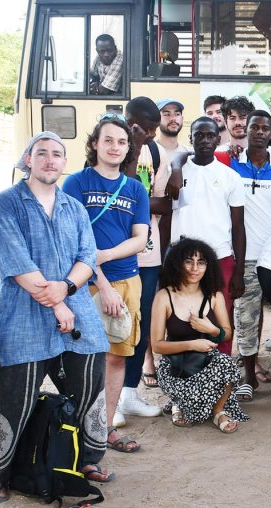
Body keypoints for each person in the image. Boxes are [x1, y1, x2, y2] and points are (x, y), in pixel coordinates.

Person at [0, 131, 111, 503]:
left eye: (57, 154)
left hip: (78, 315)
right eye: (42, 153)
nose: (50, 160)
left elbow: (88, 257)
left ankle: (86, 459)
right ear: (28, 160)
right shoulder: (6, 203)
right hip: (25, 318)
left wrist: (67, 288)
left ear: (64, 162)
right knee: (11, 396)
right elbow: (16, 258)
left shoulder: (74, 207)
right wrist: (56, 301)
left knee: (88, 388)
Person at [62, 117, 150, 454]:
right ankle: (79, 429)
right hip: (86, 283)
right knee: (86, 358)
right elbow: (73, 238)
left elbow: (140, 239)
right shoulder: (76, 184)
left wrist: (107, 255)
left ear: (128, 148)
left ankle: (105, 428)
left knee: (117, 357)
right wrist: (101, 279)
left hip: (128, 279)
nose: (115, 147)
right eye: (108, 140)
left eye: (121, 142)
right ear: (95, 144)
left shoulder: (134, 188)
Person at [223, 110, 271, 395]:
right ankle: (248, 377)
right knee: (246, 319)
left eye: (265, 128)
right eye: (255, 127)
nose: (259, 132)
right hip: (245, 257)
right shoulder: (229, 161)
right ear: (248, 130)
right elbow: (196, 157)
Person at [150, 238, 247, 432]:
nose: (195, 268)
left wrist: (212, 330)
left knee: (228, 366)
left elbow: (227, 334)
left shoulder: (214, 295)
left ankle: (218, 411)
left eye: (201, 262)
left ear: (208, 266)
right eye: (189, 261)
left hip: (205, 359)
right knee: (190, 389)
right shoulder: (164, 296)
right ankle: (180, 404)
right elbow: (157, 346)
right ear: (177, 264)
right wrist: (193, 344)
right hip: (174, 364)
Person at [168, 117, 248, 356]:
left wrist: (239, 271)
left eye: (210, 135)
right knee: (183, 318)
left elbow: (238, 227)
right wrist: (175, 169)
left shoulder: (229, 176)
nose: (204, 140)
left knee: (219, 319)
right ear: (190, 138)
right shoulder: (177, 172)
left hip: (220, 258)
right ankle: (186, 375)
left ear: (217, 138)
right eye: (199, 135)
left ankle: (219, 372)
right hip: (183, 259)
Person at [122, 97, 175, 419]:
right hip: (111, 257)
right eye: (146, 129)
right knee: (114, 327)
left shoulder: (157, 153)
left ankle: (129, 393)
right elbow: (123, 191)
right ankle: (106, 397)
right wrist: (132, 146)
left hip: (149, 254)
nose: (152, 135)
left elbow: (163, 205)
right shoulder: (111, 145)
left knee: (140, 325)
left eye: (154, 130)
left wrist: (139, 203)